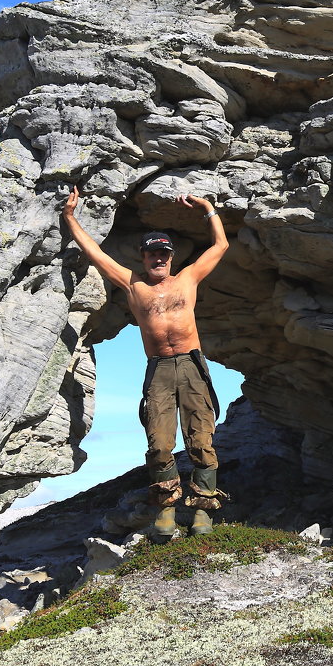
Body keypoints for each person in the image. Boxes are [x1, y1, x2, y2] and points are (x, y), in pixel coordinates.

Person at [62, 187, 229, 541]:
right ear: (143, 256)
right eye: (153, 253)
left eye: (164, 253)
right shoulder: (133, 285)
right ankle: (167, 508)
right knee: (159, 442)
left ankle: (202, 510)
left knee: (201, 440)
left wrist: (208, 208)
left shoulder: (187, 278)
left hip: (191, 366)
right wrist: (70, 218)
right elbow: (95, 253)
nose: (159, 259)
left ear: (171, 257)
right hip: (159, 370)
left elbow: (220, 246)